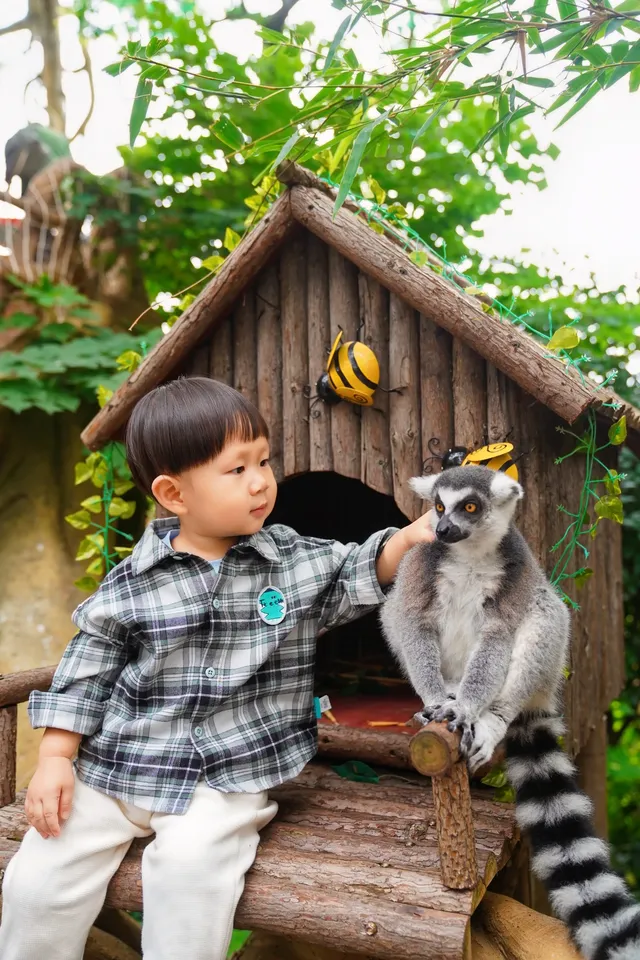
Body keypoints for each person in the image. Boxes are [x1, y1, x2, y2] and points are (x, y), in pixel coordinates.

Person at [0, 377, 435, 960]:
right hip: (120, 764)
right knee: (38, 882)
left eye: (264, 461)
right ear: (174, 494)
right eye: (237, 470)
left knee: (190, 873)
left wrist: (410, 538)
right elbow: (88, 666)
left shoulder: (290, 561)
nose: (261, 481)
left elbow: (358, 569)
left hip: (226, 776)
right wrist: (56, 758)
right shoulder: (133, 583)